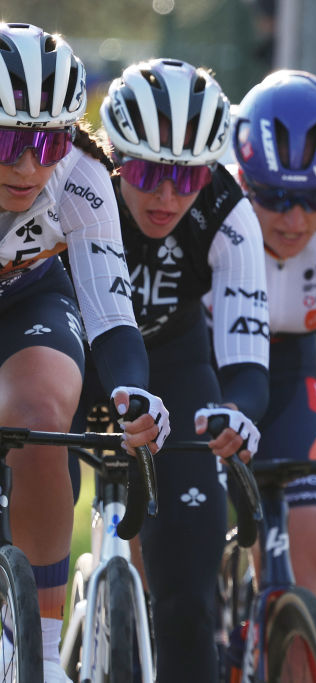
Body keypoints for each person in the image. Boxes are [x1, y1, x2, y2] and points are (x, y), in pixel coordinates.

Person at [71, 57, 271, 682]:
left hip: (175, 362)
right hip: (74, 357)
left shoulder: (228, 212)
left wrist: (236, 413)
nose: (165, 196)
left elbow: (246, 358)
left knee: (188, 599)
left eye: (187, 179)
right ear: (114, 157)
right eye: (147, 172)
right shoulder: (78, 182)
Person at [0, 23, 170, 682]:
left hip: (31, 297)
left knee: (41, 412)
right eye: (10, 140)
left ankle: (40, 651)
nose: (27, 166)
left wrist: (132, 389)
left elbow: (110, 315)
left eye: (46, 141)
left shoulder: (81, 175)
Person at [228, 69, 316, 602]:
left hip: (289, 371)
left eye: (313, 198)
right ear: (244, 180)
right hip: (200, 366)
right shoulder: (214, 205)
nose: (293, 219)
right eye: (271, 197)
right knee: (178, 552)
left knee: (307, 570)